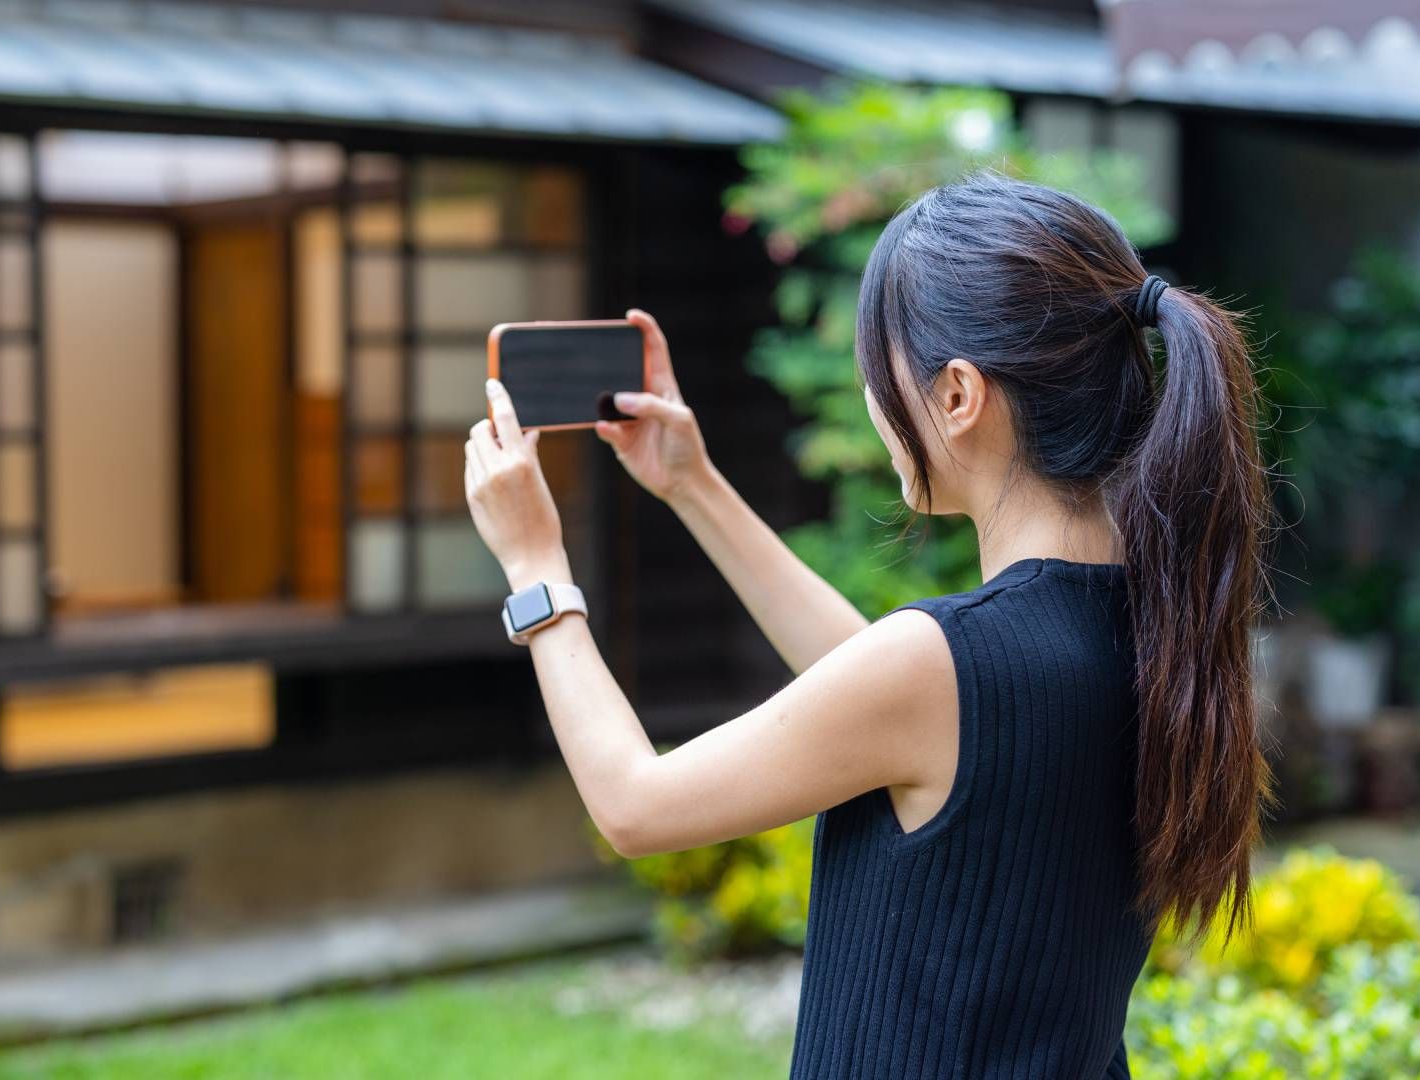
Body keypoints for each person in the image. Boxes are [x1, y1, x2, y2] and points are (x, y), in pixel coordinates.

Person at [462, 171, 1270, 1079]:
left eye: (878, 373)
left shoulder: (949, 667)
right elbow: (885, 687)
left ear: (959, 395)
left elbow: (634, 806)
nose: (877, 413)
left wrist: (536, 569)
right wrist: (692, 483)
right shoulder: (1150, 627)